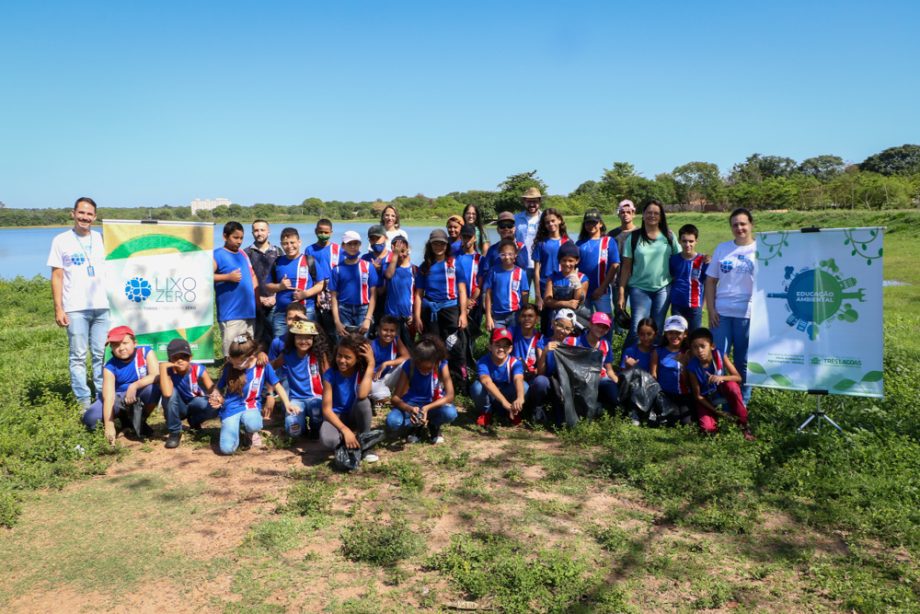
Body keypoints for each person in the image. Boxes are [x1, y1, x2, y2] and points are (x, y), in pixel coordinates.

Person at [48, 196, 110, 411]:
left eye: (89, 214)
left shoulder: (103, 239)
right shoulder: (61, 240)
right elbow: (57, 275)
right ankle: (83, 402)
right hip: (75, 308)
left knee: (101, 355)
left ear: (95, 216)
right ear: (73, 213)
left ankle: (104, 398)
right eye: (81, 213)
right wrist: (59, 308)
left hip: (103, 307)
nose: (85, 217)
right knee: (78, 356)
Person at [705, 208, 757, 405]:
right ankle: (720, 397)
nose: (739, 228)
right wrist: (711, 310)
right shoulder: (723, 248)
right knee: (719, 358)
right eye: (735, 224)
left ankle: (743, 399)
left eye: (743, 223)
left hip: (748, 313)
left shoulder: (761, 250)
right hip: (722, 313)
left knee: (743, 361)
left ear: (751, 225)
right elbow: (710, 281)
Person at [210, 333, 292, 454]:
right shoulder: (230, 367)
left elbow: (277, 386)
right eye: (232, 361)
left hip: (251, 406)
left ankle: (250, 432)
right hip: (231, 408)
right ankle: (235, 429)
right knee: (227, 449)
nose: (234, 365)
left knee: (254, 424)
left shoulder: (263, 366)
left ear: (250, 357)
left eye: (237, 363)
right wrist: (215, 395)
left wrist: (287, 404)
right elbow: (218, 386)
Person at [82, 326, 161, 445]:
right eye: (115, 345)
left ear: (135, 343)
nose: (121, 348)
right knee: (90, 418)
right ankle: (123, 420)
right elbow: (108, 397)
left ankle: (139, 420)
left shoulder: (146, 352)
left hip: (139, 392)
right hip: (117, 398)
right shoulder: (109, 367)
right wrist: (109, 425)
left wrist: (134, 386)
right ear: (111, 348)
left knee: (154, 388)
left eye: (125, 343)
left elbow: (156, 375)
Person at [617, 200, 679, 349]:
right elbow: (626, 268)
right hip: (639, 289)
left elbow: (680, 260)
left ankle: (653, 366)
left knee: (656, 330)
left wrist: (702, 258)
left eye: (656, 213)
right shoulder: (634, 237)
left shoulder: (669, 236)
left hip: (663, 289)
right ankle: (626, 365)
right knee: (636, 330)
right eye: (649, 212)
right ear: (643, 215)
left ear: (661, 216)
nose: (652, 215)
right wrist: (621, 293)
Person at [413, 229, 469, 388]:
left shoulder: (454, 264)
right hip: (430, 312)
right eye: (435, 243)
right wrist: (417, 316)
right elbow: (418, 294)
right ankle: (433, 381)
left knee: (454, 345)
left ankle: (459, 380)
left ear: (447, 245)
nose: (439, 246)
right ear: (430, 245)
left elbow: (463, 290)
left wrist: (463, 314)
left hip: (450, 310)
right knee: (431, 346)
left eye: (442, 243)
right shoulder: (425, 267)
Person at [685, 327, 755, 440]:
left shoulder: (720, 355)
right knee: (708, 430)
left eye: (703, 346)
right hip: (706, 399)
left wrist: (721, 377)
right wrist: (717, 412)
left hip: (721, 391)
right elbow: (698, 396)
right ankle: (714, 423)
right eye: (695, 347)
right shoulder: (692, 367)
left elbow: (738, 378)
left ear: (712, 346)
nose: (699, 351)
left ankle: (744, 425)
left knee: (732, 386)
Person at [318, 334, 379, 463]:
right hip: (336, 416)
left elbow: (362, 395)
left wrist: (371, 364)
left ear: (358, 359)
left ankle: (365, 442)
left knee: (364, 403)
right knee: (328, 441)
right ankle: (347, 441)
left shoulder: (362, 372)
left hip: (354, 414)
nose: (342, 360)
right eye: (339, 355)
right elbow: (327, 410)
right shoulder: (330, 374)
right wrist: (345, 430)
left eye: (348, 357)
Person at [387, 335, 458, 444]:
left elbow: (450, 395)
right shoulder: (409, 364)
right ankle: (415, 426)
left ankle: (433, 424)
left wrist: (427, 408)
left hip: (433, 404)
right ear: (415, 361)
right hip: (412, 404)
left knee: (450, 413)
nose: (424, 371)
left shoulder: (442, 364)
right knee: (393, 421)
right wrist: (409, 409)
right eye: (420, 368)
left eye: (428, 368)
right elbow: (395, 398)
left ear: (436, 361)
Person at [272, 320, 331, 439]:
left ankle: (315, 428)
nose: (303, 341)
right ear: (293, 338)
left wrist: (328, 399)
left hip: (317, 397)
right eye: (299, 337)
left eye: (308, 338)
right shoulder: (287, 354)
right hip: (296, 399)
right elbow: (271, 367)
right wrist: (260, 358)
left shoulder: (319, 354)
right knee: (293, 431)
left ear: (314, 339)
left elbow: (328, 377)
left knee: (317, 420)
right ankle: (302, 425)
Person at [159, 338, 218, 449]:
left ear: (190, 357)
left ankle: (194, 421)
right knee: (171, 393)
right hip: (177, 408)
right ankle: (175, 432)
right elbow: (167, 393)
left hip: (194, 403)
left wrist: (217, 396)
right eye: (175, 358)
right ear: (169, 360)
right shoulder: (167, 372)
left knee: (214, 406)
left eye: (184, 357)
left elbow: (211, 387)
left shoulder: (198, 369)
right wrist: (162, 368)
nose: (180, 361)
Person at [264, 227, 323, 338]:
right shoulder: (277, 262)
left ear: (299, 242)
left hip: (305, 312)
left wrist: (305, 294)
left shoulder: (309, 260)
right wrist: (280, 286)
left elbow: (320, 284)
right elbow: (268, 286)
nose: (290, 246)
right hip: (282, 313)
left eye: (292, 242)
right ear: (281, 244)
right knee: (280, 344)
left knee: (304, 343)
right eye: (285, 243)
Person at [214, 221, 259, 357]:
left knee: (247, 350)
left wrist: (257, 300)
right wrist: (227, 277)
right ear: (225, 236)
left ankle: (245, 377)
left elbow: (252, 275)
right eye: (235, 237)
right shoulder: (217, 254)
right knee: (232, 352)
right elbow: (204, 276)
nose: (239, 241)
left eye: (241, 238)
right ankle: (229, 376)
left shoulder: (243, 254)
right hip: (231, 314)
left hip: (248, 312)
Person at [564, 312, 620, 413]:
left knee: (614, 395)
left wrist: (618, 382)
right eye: (598, 325)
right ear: (590, 324)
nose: (601, 329)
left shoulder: (605, 345)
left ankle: (600, 406)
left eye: (605, 327)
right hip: (579, 380)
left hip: (600, 379)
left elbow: (609, 370)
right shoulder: (573, 342)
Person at [471, 328, 527, 427]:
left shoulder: (515, 362)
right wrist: (504, 402)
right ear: (490, 346)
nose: (501, 349)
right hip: (490, 396)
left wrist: (520, 398)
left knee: (524, 386)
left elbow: (518, 379)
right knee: (476, 387)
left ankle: (513, 411)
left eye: (505, 346)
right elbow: (486, 382)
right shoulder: (483, 361)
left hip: (506, 394)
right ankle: (486, 412)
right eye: (497, 345)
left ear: (510, 349)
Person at [331, 230, 379, 337]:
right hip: (344, 310)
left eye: (355, 243)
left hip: (363, 309)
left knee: (362, 344)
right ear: (343, 246)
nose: (353, 246)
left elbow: (373, 295)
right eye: (349, 244)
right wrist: (337, 322)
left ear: (360, 245)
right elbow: (333, 297)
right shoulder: (337, 269)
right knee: (344, 342)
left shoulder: (368, 267)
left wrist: (368, 318)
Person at [244, 220, 283, 348]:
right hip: (254, 302)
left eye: (262, 230)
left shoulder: (278, 252)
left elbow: (283, 278)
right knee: (256, 337)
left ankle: (273, 364)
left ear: (269, 232)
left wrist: (274, 297)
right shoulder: (246, 253)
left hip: (274, 301)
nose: (259, 233)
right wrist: (257, 298)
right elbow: (245, 280)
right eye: (256, 230)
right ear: (252, 233)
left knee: (274, 335)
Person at [536, 308, 578, 426]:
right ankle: (539, 408)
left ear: (572, 330)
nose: (563, 331)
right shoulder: (543, 342)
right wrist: (545, 352)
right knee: (540, 381)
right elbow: (540, 372)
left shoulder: (574, 343)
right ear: (553, 323)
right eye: (560, 325)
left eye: (567, 328)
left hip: (567, 383)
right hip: (549, 381)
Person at [650, 315, 693, 426]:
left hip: (684, 394)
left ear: (685, 334)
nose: (674, 336)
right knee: (672, 420)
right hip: (666, 395)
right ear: (665, 333)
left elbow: (691, 381)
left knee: (685, 423)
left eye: (678, 333)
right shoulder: (658, 351)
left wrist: (684, 365)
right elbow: (653, 375)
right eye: (670, 332)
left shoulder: (688, 353)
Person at [577, 208, 620, 316]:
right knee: (584, 322)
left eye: (594, 222)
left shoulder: (609, 241)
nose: (591, 225)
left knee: (606, 321)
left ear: (600, 224)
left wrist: (602, 288)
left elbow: (615, 265)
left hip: (602, 291)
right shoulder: (579, 243)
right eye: (588, 223)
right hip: (583, 291)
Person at [511, 303, 550, 420]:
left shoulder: (541, 338)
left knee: (542, 381)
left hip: (532, 375)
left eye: (530, 316)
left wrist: (538, 368)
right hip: (516, 376)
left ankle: (536, 407)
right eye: (524, 316)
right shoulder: (512, 332)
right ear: (519, 318)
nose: (527, 318)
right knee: (523, 387)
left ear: (537, 319)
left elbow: (542, 365)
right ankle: (519, 411)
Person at [304, 219, 341, 338]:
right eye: (320, 232)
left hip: (333, 289)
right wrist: (317, 293)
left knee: (333, 327)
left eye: (326, 232)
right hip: (317, 288)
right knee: (319, 326)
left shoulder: (338, 249)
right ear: (316, 231)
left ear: (331, 232)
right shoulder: (310, 250)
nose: (323, 235)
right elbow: (309, 272)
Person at [483, 239, 529, 331]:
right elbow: (488, 293)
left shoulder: (521, 273)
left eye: (510, 254)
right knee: (499, 340)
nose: (507, 257)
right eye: (503, 254)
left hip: (515, 314)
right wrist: (488, 316)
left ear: (515, 255)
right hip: (497, 315)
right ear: (499, 255)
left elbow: (524, 294)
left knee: (514, 339)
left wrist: (524, 313)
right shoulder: (493, 271)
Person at [669, 224, 709, 332]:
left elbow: (707, 283)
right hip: (677, 305)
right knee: (678, 335)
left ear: (696, 241)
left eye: (691, 241)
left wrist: (703, 304)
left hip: (695, 306)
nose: (687, 244)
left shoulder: (703, 260)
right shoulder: (673, 259)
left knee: (694, 336)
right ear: (679, 241)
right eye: (684, 241)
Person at [542, 241, 588, 334]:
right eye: (564, 260)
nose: (567, 264)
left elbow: (578, 302)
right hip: (554, 317)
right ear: (559, 260)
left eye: (570, 261)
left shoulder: (583, 278)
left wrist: (577, 285)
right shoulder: (552, 277)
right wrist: (565, 303)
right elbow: (547, 301)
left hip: (574, 317)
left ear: (577, 261)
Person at [531, 208, 570, 313]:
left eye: (553, 221)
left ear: (559, 220)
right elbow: (536, 271)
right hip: (545, 287)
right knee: (547, 321)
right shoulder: (541, 244)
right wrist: (538, 295)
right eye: (547, 222)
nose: (551, 224)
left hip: (563, 287)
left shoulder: (567, 242)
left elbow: (573, 268)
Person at [368, 315, 411, 406]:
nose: (388, 334)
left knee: (408, 364)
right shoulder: (372, 344)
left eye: (392, 331)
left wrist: (386, 363)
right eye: (385, 330)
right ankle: (377, 397)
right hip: (374, 379)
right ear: (379, 330)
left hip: (388, 377)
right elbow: (367, 369)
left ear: (396, 332)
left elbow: (407, 356)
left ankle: (400, 397)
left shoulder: (396, 340)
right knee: (383, 396)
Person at [382, 235, 416, 348]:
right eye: (397, 251)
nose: (400, 254)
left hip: (407, 315)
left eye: (402, 251)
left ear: (407, 250)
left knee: (408, 346)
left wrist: (414, 314)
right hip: (391, 314)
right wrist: (395, 255)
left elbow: (416, 294)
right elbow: (388, 275)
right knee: (392, 346)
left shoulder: (414, 269)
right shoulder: (388, 266)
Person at [481, 211, 528, 282]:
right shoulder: (492, 249)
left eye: (509, 225)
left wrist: (516, 252)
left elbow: (523, 268)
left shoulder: (521, 247)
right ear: (498, 230)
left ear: (514, 229)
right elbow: (485, 271)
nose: (506, 229)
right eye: (502, 226)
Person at [514, 186, 543, 290]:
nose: (532, 204)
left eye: (535, 201)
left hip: (541, 265)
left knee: (542, 298)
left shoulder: (545, 218)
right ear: (524, 202)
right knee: (522, 296)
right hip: (522, 264)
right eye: (528, 201)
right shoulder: (516, 219)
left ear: (539, 201)